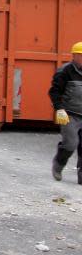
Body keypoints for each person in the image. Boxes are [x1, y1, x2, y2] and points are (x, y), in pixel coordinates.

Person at [49, 41, 82, 183]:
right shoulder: (65, 71)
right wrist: (59, 109)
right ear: (74, 55)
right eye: (81, 55)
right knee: (71, 143)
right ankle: (58, 164)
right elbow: (54, 92)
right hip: (70, 114)